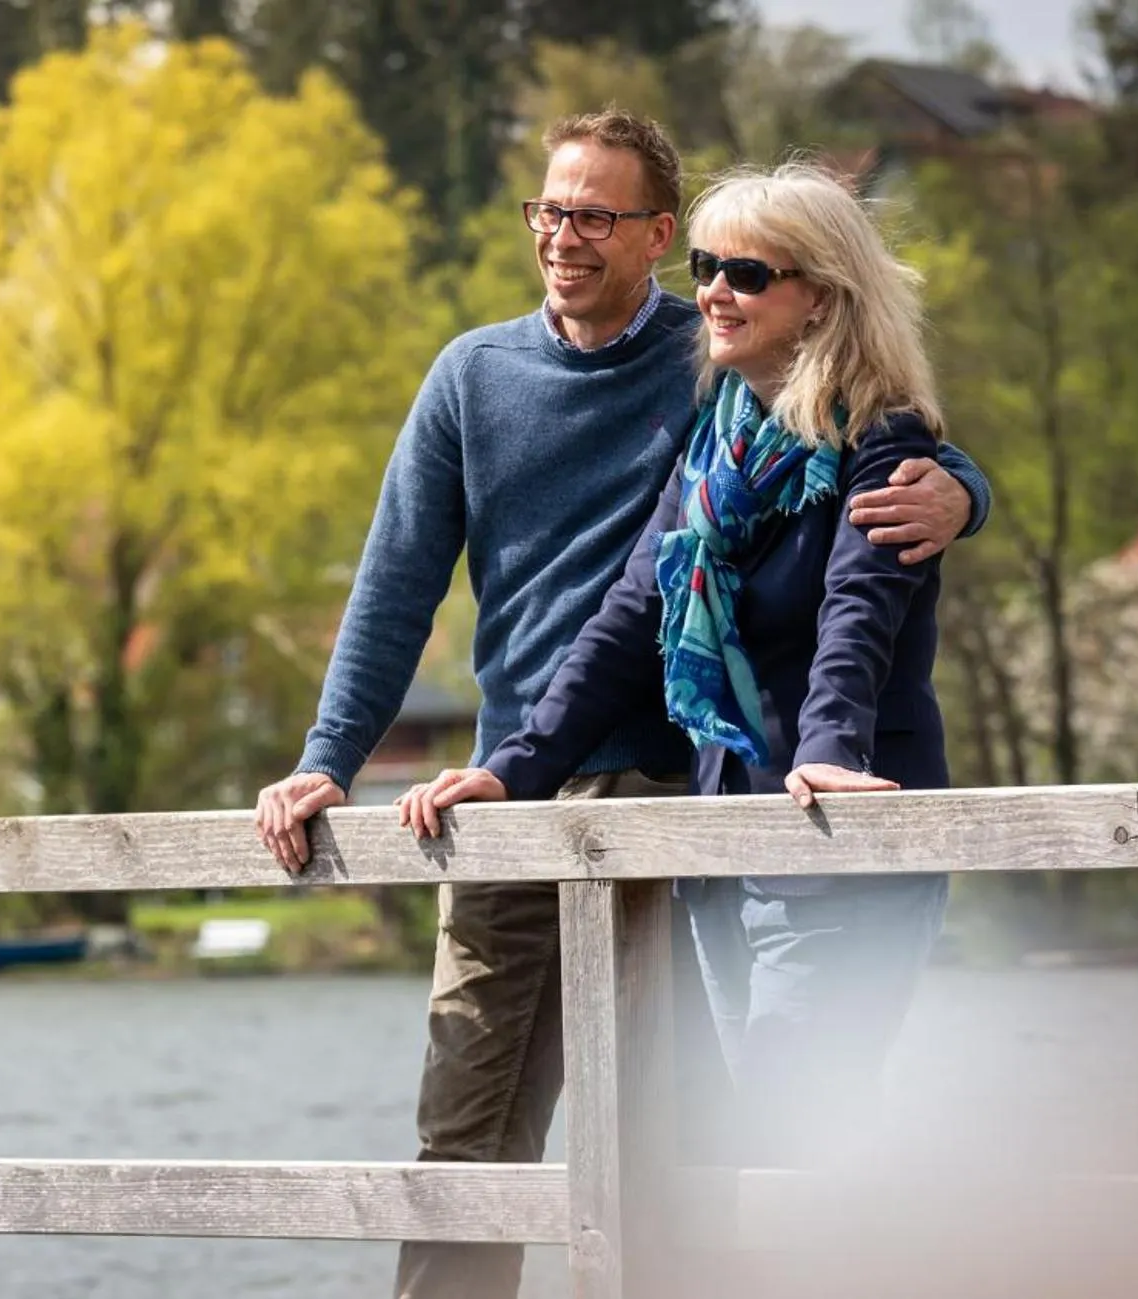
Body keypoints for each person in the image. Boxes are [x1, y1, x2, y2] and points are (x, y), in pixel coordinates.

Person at [252, 110, 991, 1299]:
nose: (564, 235)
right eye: (550, 208)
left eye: (597, 214)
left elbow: (869, 505)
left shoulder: (714, 371)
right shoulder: (521, 383)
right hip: (528, 788)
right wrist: (349, 759)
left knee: (687, 1151)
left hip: (686, 802)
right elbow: (421, 589)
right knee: (467, 1128)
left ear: (652, 231)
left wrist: (960, 489)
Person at [397, 162, 959, 1169]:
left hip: (838, 843)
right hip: (726, 848)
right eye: (705, 265)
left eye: (745, 272)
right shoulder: (718, 446)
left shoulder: (883, 446)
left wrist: (829, 749)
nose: (711, 292)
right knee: (740, 1154)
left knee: (799, 1143)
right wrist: (513, 768)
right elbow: (627, 618)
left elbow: (854, 620)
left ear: (819, 298)